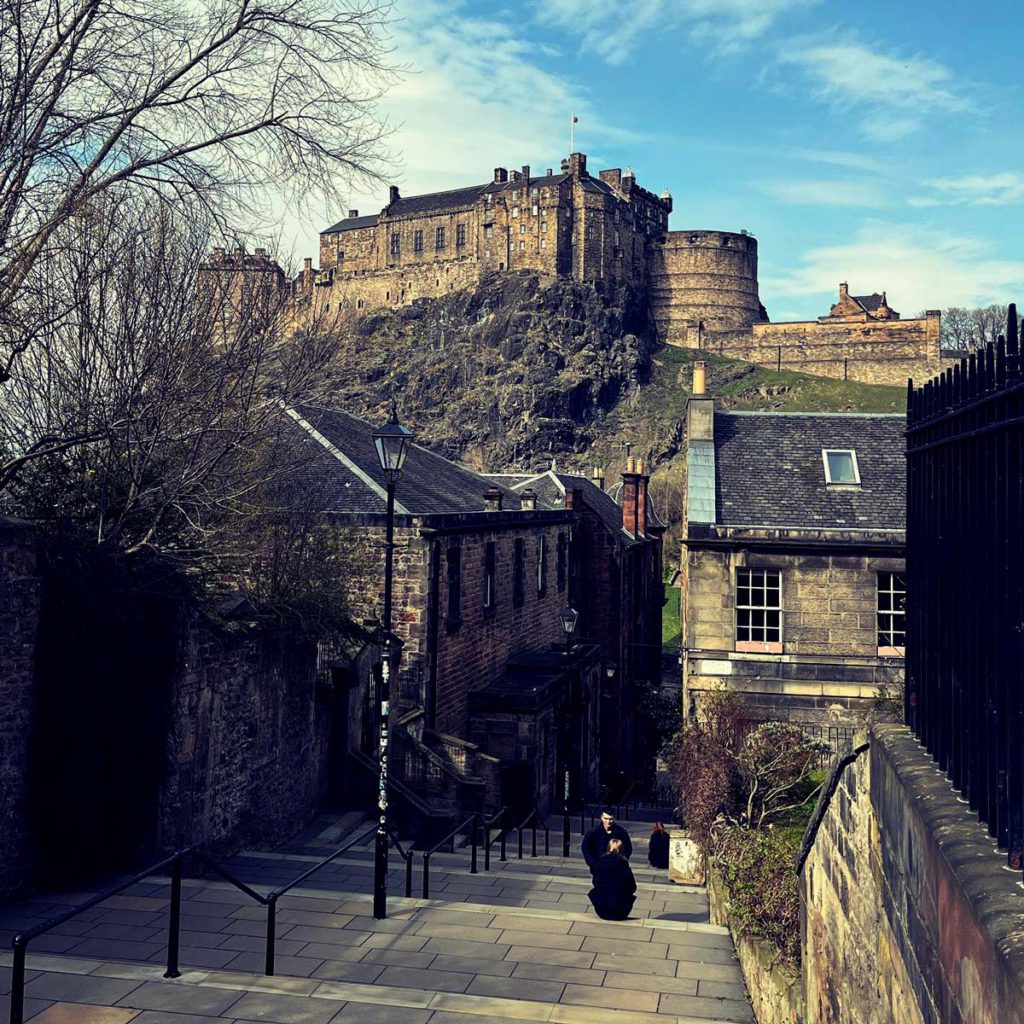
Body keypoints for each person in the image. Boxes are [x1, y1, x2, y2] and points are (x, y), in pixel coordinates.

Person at [588, 838, 637, 920]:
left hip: (602, 910)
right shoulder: (624, 866)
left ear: (608, 848)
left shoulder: (600, 863)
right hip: (621, 912)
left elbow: (595, 882)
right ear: (621, 850)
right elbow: (632, 887)